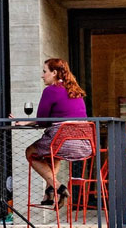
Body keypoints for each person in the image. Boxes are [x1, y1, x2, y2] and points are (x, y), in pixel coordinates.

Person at [14, 58, 89, 209]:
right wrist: (28, 122)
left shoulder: (51, 90)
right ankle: (49, 191)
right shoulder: (75, 90)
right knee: (54, 155)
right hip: (84, 143)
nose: (42, 76)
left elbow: (42, 121)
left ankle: (59, 188)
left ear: (54, 73)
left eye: (44, 71)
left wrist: (27, 122)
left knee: (30, 152)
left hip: (62, 139)